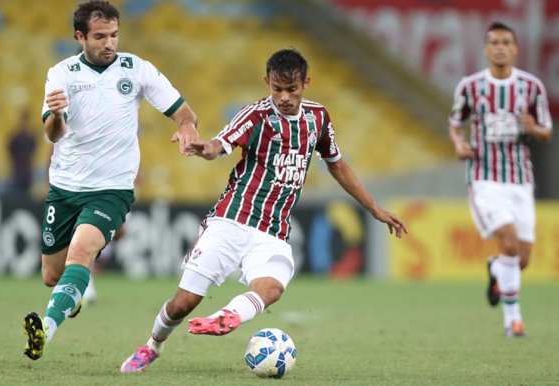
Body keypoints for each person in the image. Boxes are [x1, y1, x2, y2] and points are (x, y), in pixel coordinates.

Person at [120, 48, 408, 373]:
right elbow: (219, 145)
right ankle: (152, 346)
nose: (284, 97)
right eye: (277, 89)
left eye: (292, 89)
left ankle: (228, 316)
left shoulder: (318, 118)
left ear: (306, 83)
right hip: (231, 221)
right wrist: (205, 148)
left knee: (271, 288)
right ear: (267, 82)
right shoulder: (255, 115)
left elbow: (337, 165)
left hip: (273, 232)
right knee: (182, 304)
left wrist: (374, 209)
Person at [22, 0, 199, 361]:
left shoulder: (136, 69)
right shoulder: (62, 74)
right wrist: (56, 114)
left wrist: (187, 127)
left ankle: (45, 329)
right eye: (100, 36)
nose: (110, 44)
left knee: (82, 252)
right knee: (53, 275)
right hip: (65, 187)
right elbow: (53, 134)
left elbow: (183, 111)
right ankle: (70, 296)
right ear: (80, 36)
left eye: (114, 35)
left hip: (112, 189)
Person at [448, 22, 552, 337]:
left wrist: (534, 128)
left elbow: (547, 130)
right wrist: (459, 144)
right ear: (486, 48)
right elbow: (455, 123)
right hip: (484, 178)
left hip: (520, 179)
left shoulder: (532, 87)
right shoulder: (470, 86)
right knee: (507, 239)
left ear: (515, 48)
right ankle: (513, 321)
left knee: (520, 259)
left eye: (506, 42)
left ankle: (496, 269)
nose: (500, 47)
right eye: (494, 42)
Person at [8, 109, 37, 197]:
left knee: (25, 196)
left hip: (27, 173)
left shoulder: (31, 138)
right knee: (17, 196)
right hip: (17, 172)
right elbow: (10, 152)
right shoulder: (16, 138)